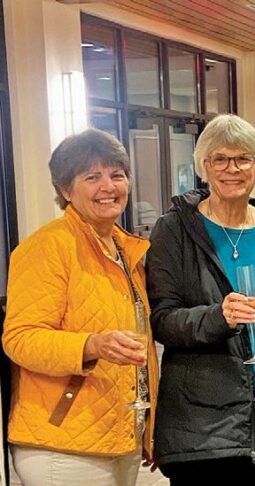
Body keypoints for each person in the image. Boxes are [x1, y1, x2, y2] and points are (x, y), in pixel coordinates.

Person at [145, 114, 255, 485]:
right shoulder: (174, 229)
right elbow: (162, 319)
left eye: (243, 158)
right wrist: (218, 317)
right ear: (204, 168)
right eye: (220, 159)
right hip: (200, 420)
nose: (232, 168)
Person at [2, 129, 159, 484]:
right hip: (63, 443)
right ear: (65, 190)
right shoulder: (47, 247)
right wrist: (90, 345)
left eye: (117, 175)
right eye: (92, 177)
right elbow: (20, 339)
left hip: (118, 435)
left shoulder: (125, 250)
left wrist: (146, 428)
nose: (108, 186)